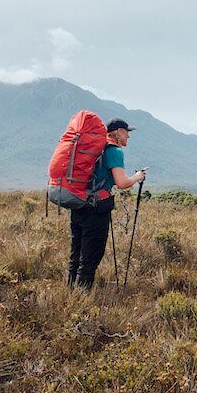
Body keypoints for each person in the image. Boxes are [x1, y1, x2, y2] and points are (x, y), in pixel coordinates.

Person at [68, 118, 145, 289]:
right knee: (90, 259)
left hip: (78, 204)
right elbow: (122, 183)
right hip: (96, 209)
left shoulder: (95, 148)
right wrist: (137, 177)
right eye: (127, 132)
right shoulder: (114, 151)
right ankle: (81, 302)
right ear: (118, 132)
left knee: (76, 256)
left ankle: (68, 295)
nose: (128, 137)